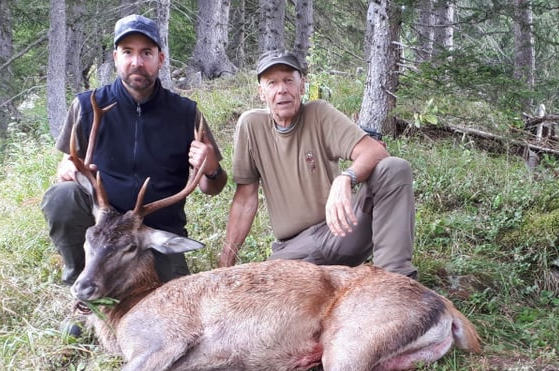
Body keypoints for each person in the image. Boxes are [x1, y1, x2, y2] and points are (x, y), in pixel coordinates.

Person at [42, 14, 227, 285]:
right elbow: (68, 171)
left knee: (169, 309)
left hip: (153, 232)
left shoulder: (186, 113)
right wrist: (67, 169)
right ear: (116, 57)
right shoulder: (87, 106)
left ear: (160, 60)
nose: (136, 62)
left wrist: (210, 169)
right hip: (105, 229)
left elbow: (215, 187)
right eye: (128, 52)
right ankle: (77, 281)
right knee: (61, 196)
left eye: (146, 53)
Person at [219, 50, 418, 278]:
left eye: (288, 80)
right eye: (272, 83)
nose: (281, 89)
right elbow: (245, 199)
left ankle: (395, 283)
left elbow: (375, 151)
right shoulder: (251, 125)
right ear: (261, 92)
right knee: (259, 293)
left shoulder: (319, 113)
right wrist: (225, 265)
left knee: (393, 169)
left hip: (339, 233)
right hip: (293, 251)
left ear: (301, 86)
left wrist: (346, 177)